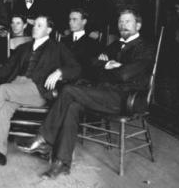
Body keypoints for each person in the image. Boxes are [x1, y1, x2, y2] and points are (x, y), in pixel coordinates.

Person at [17, 10, 153, 179]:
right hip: (105, 92)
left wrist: (107, 65)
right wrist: (108, 64)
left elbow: (124, 75)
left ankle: (44, 138)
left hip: (126, 98)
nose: (123, 25)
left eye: (128, 21)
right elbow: (91, 65)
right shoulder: (115, 45)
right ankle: (61, 163)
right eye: (121, 22)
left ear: (137, 25)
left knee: (68, 91)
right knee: (72, 105)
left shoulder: (145, 47)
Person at [0, 15, 81, 170]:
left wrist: (59, 72)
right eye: (34, 25)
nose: (35, 27)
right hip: (17, 87)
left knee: (2, 90)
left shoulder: (57, 48)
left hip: (37, 90)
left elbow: (76, 68)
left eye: (39, 25)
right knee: (3, 109)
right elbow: (8, 68)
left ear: (49, 30)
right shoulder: (24, 48)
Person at [61, 8, 102, 81]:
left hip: (79, 81)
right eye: (70, 19)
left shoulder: (93, 43)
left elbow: (89, 67)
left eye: (74, 19)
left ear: (84, 22)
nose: (70, 22)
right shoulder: (63, 41)